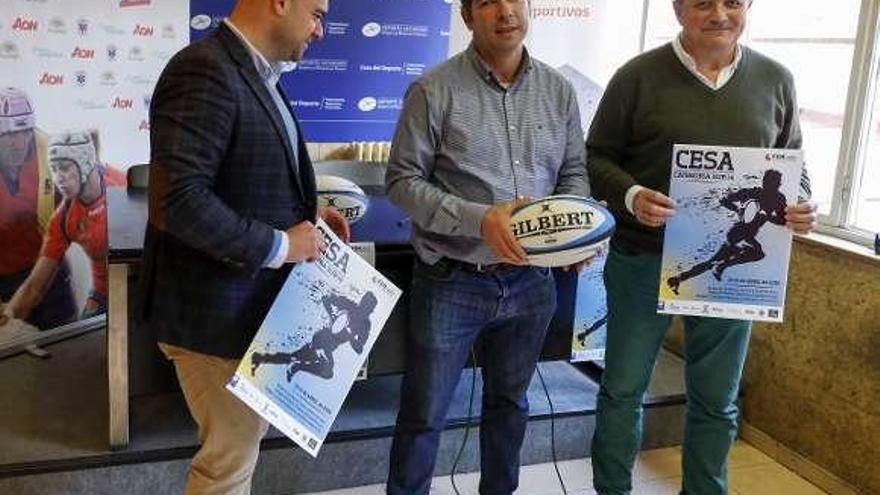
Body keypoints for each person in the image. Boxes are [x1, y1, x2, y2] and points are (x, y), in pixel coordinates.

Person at [586, 1, 818, 494]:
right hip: (641, 260)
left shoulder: (777, 80)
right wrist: (630, 195)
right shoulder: (637, 77)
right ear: (677, 8)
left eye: (732, 1)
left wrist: (799, 201)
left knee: (717, 399)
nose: (719, 13)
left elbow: (793, 157)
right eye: (702, 2)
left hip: (734, 283)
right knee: (623, 391)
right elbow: (596, 156)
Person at [136, 0, 348, 493]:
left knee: (234, 458)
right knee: (226, 468)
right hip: (212, 321)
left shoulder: (258, 75)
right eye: (317, 14)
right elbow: (177, 201)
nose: (320, 31)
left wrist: (309, 219)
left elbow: (239, 177)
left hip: (243, 317)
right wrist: (280, 244)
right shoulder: (204, 69)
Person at [384, 0, 589, 493]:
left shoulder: (558, 91)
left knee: (510, 406)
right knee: (424, 414)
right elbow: (402, 181)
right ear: (467, 15)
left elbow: (573, 173)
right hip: (452, 279)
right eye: (488, 2)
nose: (505, 11)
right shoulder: (432, 90)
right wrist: (480, 221)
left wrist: (575, 226)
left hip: (531, 282)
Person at [4, 131, 109, 322]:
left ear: (85, 163)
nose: (59, 178)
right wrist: (9, 313)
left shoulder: (125, 185)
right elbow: (34, 287)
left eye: (65, 168)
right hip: (105, 291)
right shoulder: (62, 219)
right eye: (54, 169)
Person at [0, 87, 77, 330]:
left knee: (66, 344)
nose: (18, 143)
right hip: (4, 278)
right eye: (8, 135)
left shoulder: (50, 153)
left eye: (24, 132)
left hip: (48, 271)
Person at [667, 169, 787, 294]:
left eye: (779, 183)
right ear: (766, 182)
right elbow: (724, 200)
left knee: (711, 262)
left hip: (748, 236)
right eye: (776, 182)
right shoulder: (751, 192)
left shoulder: (779, 199)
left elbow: (782, 220)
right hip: (737, 234)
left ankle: (678, 278)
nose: (778, 185)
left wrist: (769, 217)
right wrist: (738, 210)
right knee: (757, 253)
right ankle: (721, 266)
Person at [249, 291, 377, 380]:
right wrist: (333, 316)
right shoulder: (348, 304)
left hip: (330, 347)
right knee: (327, 370)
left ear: (370, 310)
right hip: (321, 338)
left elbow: (359, 349)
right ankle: (297, 366)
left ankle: (262, 358)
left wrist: (352, 339)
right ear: (362, 302)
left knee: (294, 356)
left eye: (369, 308)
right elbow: (326, 299)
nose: (367, 309)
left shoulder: (366, 325)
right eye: (366, 304)